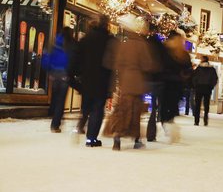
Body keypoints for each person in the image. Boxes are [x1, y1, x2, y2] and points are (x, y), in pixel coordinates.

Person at [103, 15, 158, 151]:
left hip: (125, 82)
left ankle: (117, 136)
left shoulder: (124, 45)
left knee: (122, 110)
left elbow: (116, 63)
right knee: (135, 112)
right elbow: (147, 65)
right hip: (137, 83)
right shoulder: (142, 45)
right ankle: (136, 139)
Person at [78, 16, 114, 147]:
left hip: (87, 79)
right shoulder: (109, 40)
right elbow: (111, 63)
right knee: (97, 109)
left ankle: (81, 126)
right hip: (102, 81)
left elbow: (77, 58)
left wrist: (78, 74)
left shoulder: (86, 39)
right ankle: (91, 138)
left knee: (87, 107)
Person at [159, 31, 191, 143]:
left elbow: (160, 65)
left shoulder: (165, 51)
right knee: (171, 107)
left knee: (165, 106)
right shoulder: (182, 54)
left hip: (167, 83)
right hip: (176, 84)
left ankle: (167, 125)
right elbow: (188, 69)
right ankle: (169, 126)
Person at [49, 27, 76, 133]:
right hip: (65, 75)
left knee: (56, 98)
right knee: (61, 100)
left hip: (55, 74)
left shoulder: (57, 42)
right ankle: (55, 124)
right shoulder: (72, 44)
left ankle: (54, 118)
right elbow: (73, 60)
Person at [192, 55, 218, 126]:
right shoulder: (212, 69)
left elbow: (194, 78)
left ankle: (196, 121)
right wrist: (211, 86)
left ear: (202, 60)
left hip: (199, 88)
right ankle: (205, 120)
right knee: (206, 105)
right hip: (207, 88)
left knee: (197, 105)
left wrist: (195, 85)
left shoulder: (199, 68)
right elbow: (215, 79)